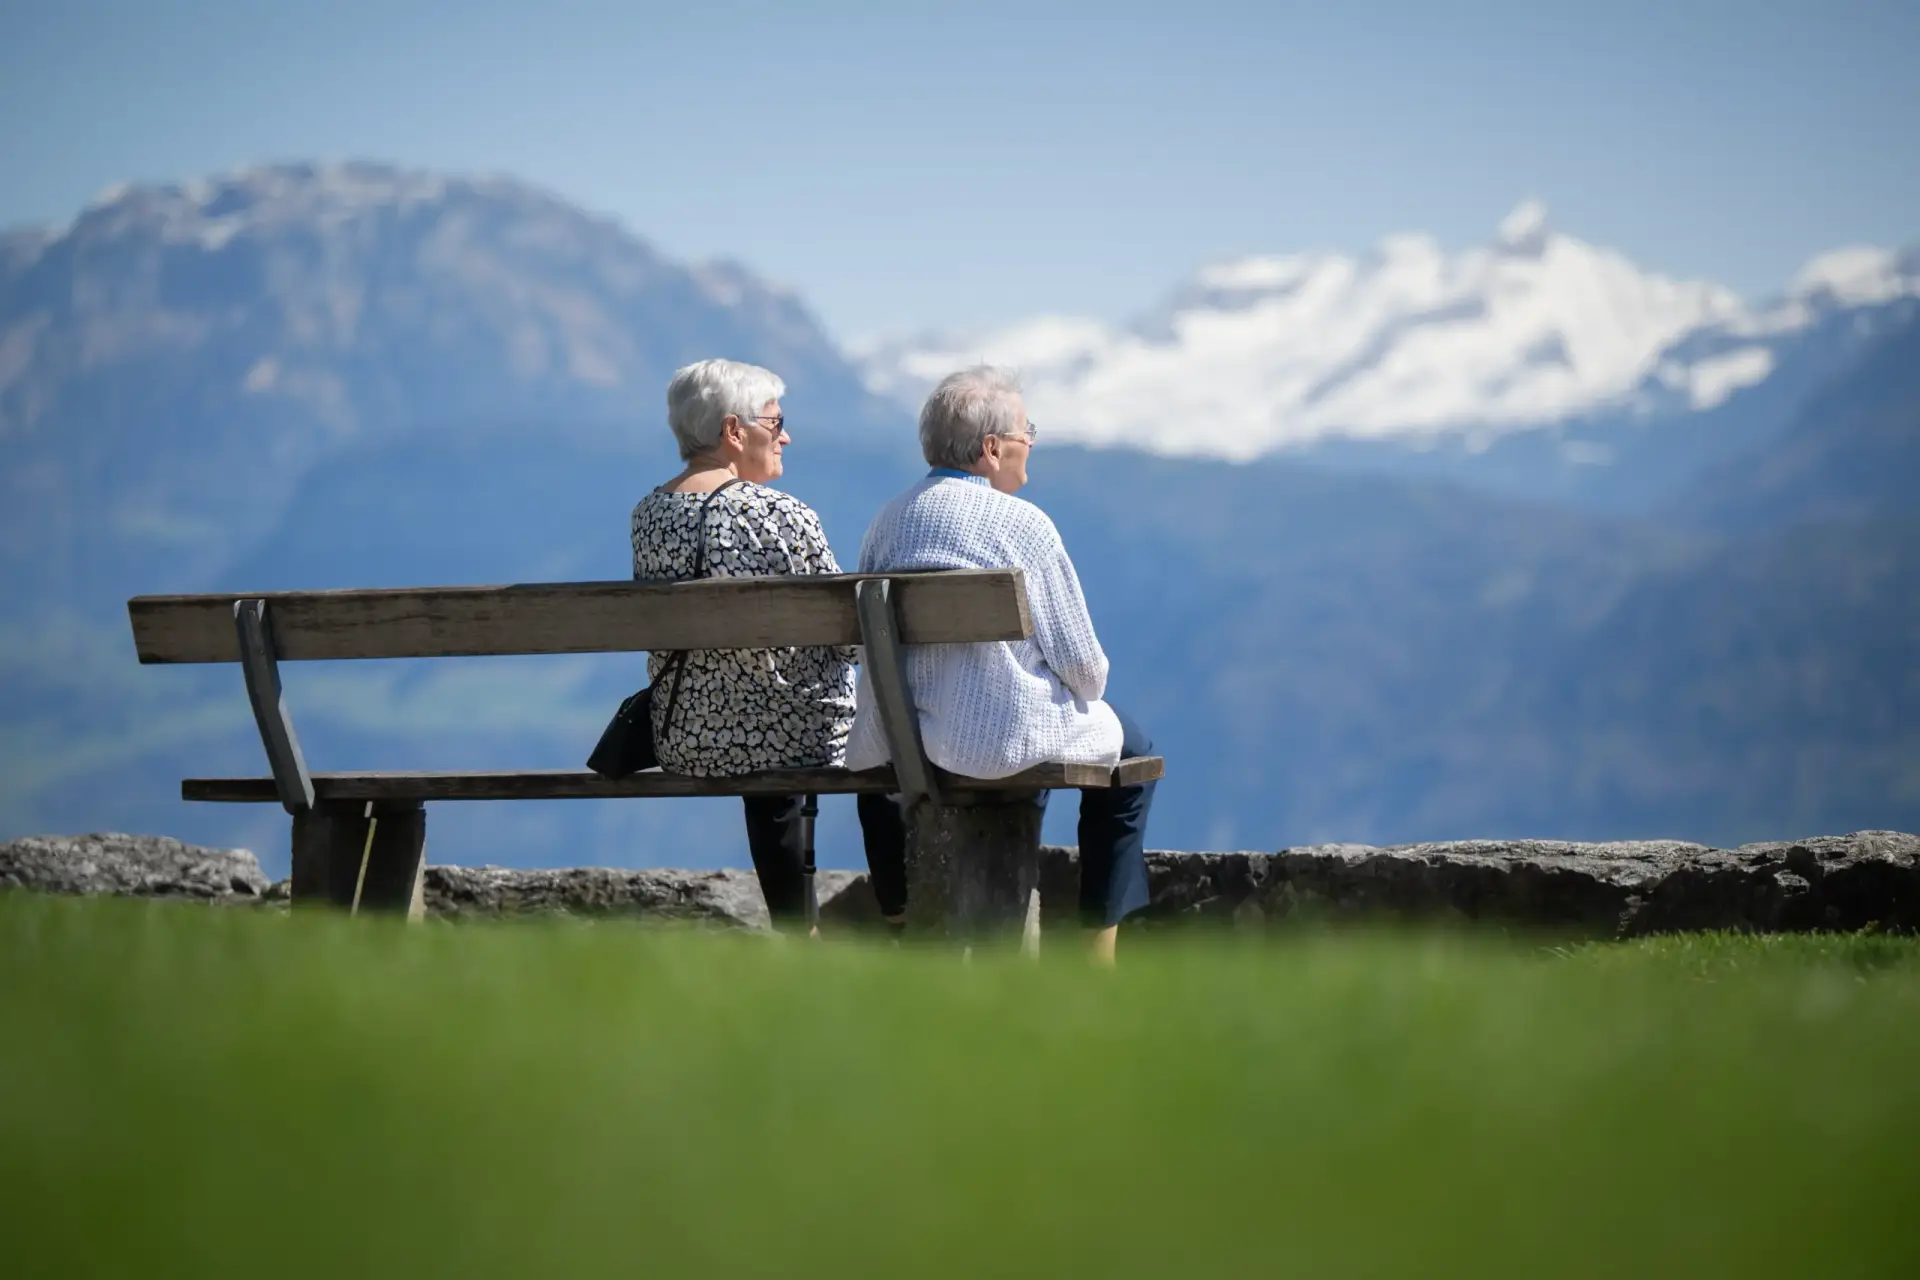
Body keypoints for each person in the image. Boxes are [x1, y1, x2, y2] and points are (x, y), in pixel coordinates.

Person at [845, 365, 1156, 963]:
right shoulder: (1025, 525)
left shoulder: (888, 521)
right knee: (1135, 753)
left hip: (905, 740)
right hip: (999, 742)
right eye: (1025, 433)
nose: (1030, 444)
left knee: (895, 770)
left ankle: (902, 923)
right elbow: (1087, 673)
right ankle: (1098, 953)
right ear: (991, 449)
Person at [631, 358, 907, 930]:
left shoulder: (649, 515)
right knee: (888, 737)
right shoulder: (782, 514)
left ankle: (795, 928)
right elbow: (851, 638)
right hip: (792, 734)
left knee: (762, 719)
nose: (786, 436)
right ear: (734, 431)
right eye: (775, 422)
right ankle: (903, 917)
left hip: (686, 735)